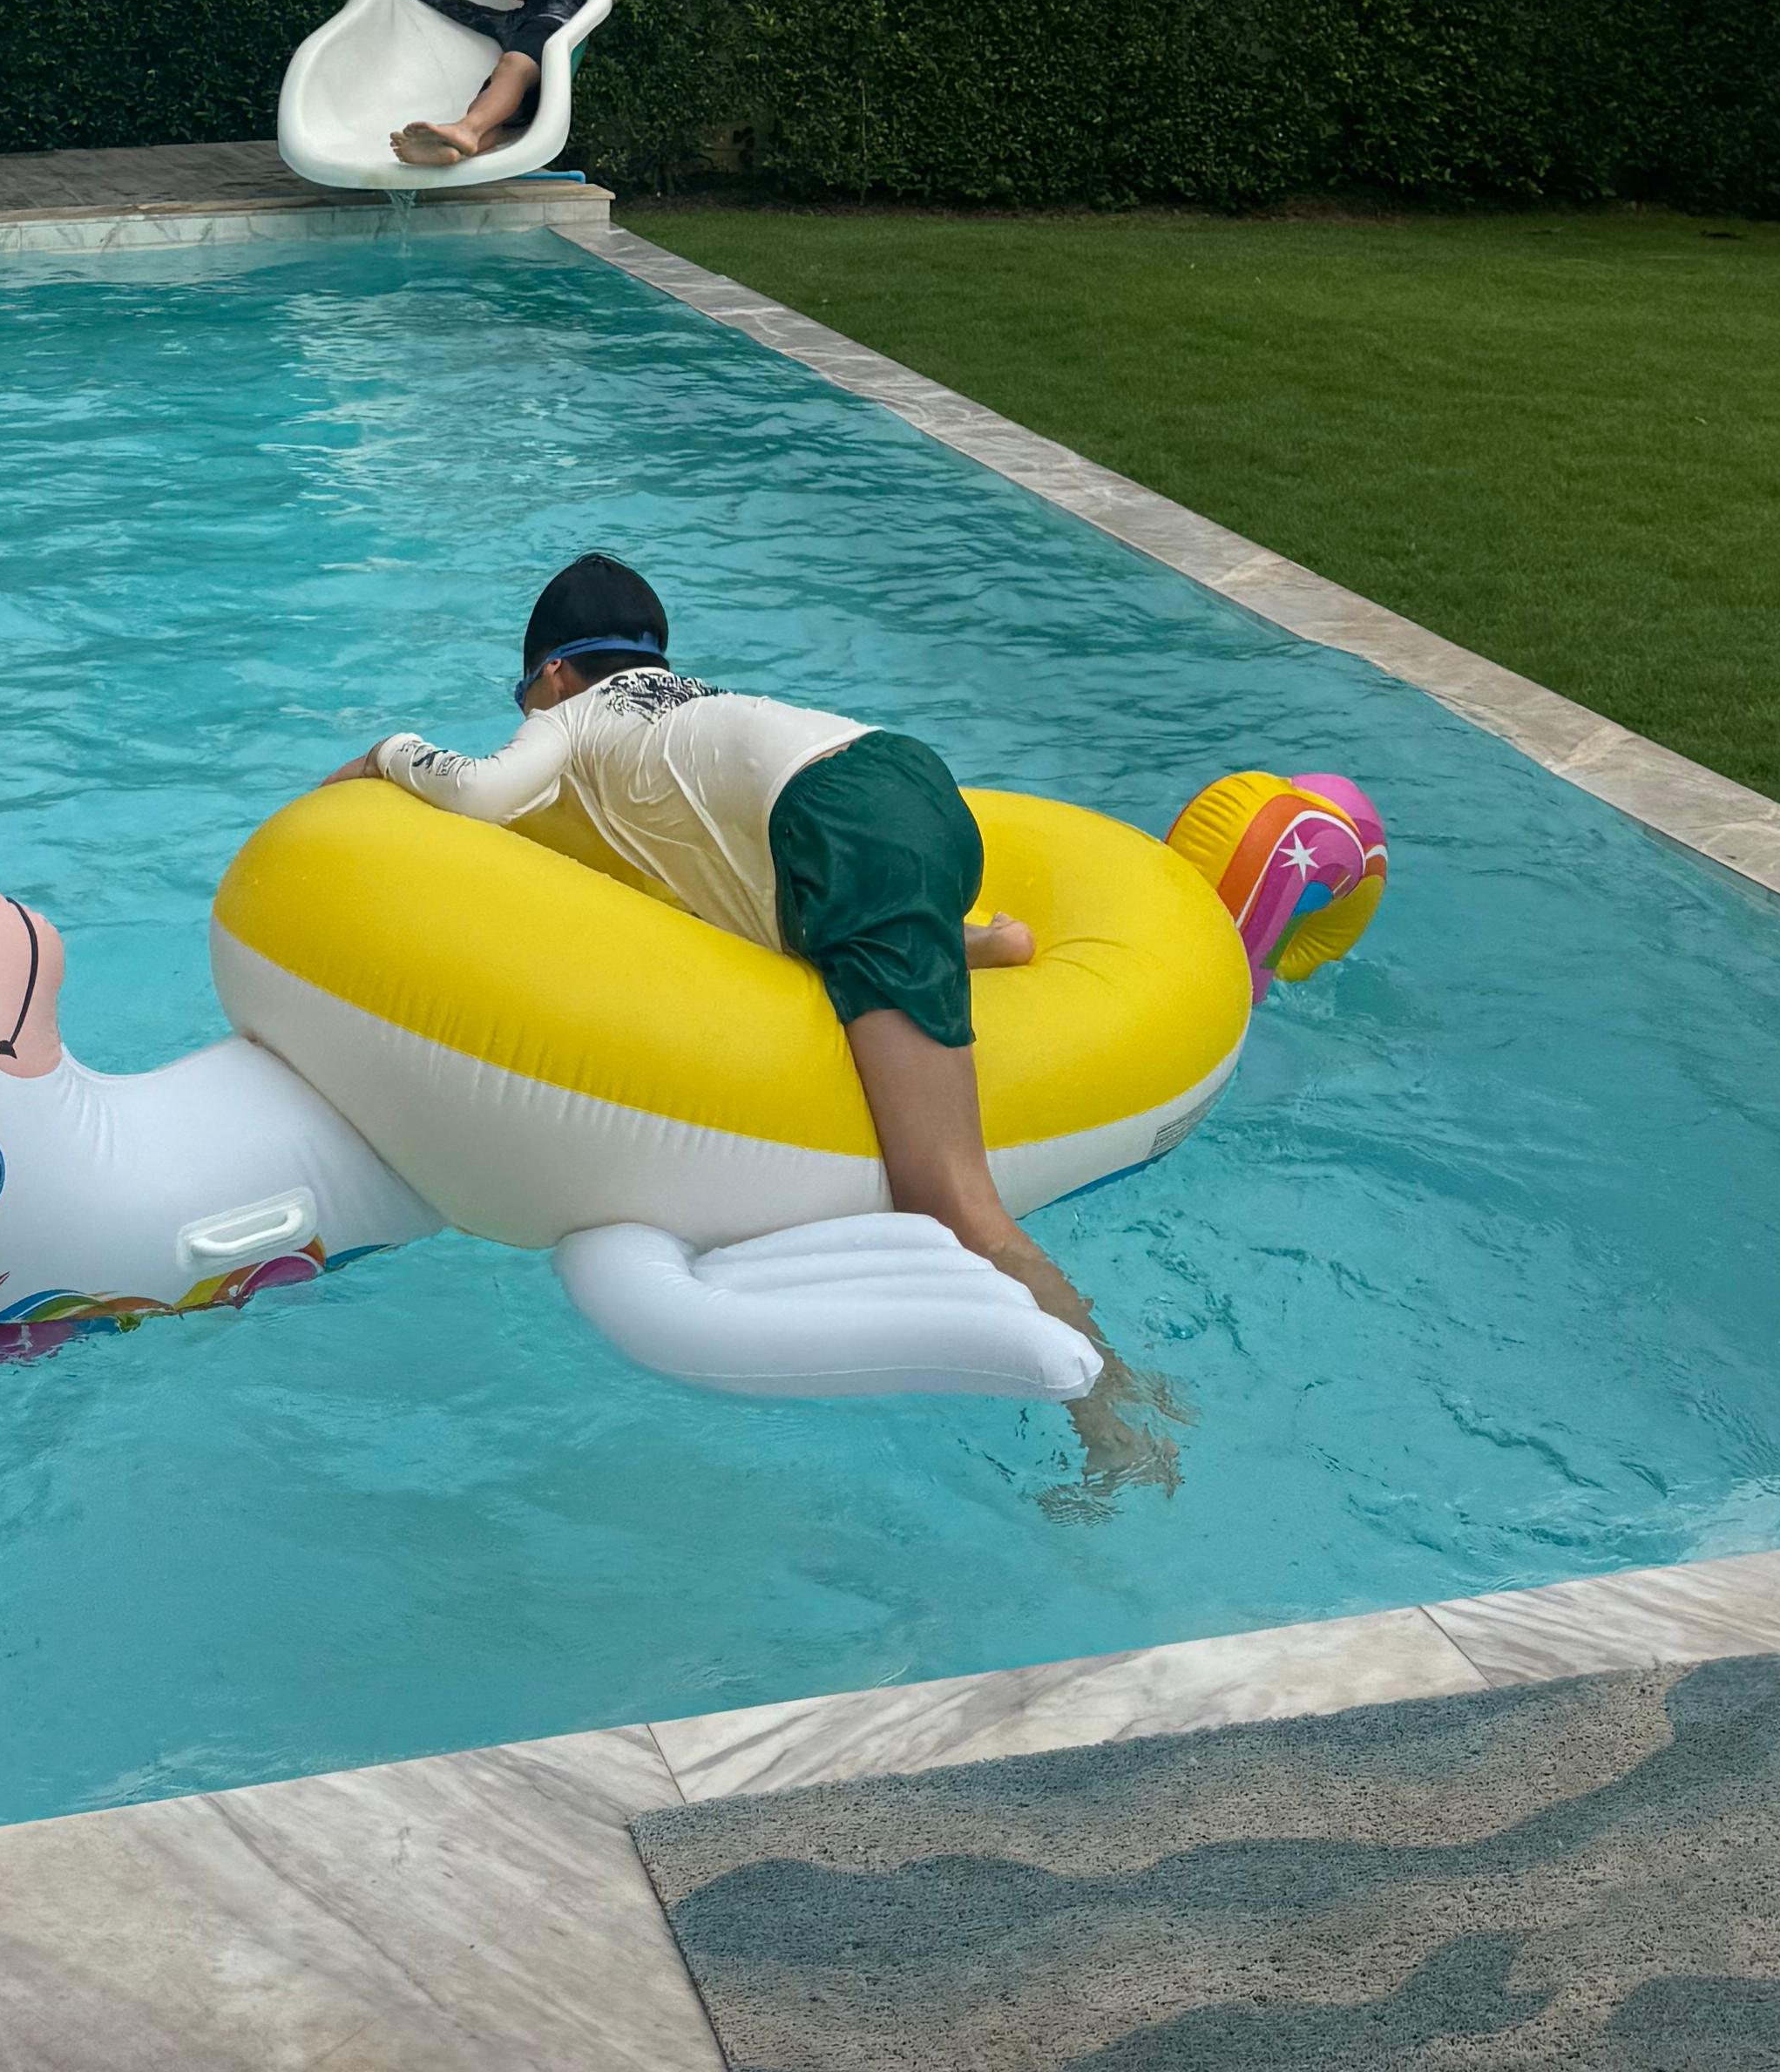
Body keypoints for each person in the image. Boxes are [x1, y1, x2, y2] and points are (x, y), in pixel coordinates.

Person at [323, 558, 1166, 1476]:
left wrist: (388, 753)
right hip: (905, 783)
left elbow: (483, 790)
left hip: (845, 830)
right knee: (794, 933)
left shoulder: (571, 714)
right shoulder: (690, 714)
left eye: (524, 693)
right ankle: (979, 944)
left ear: (554, 672)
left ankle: (1121, 1422)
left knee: (956, 1202)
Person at [387, 0, 587, 171]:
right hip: (525, 107)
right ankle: (453, 150)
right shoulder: (513, 23)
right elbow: (465, 11)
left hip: (549, 60)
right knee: (489, 104)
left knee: (512, 64)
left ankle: (466, 130)